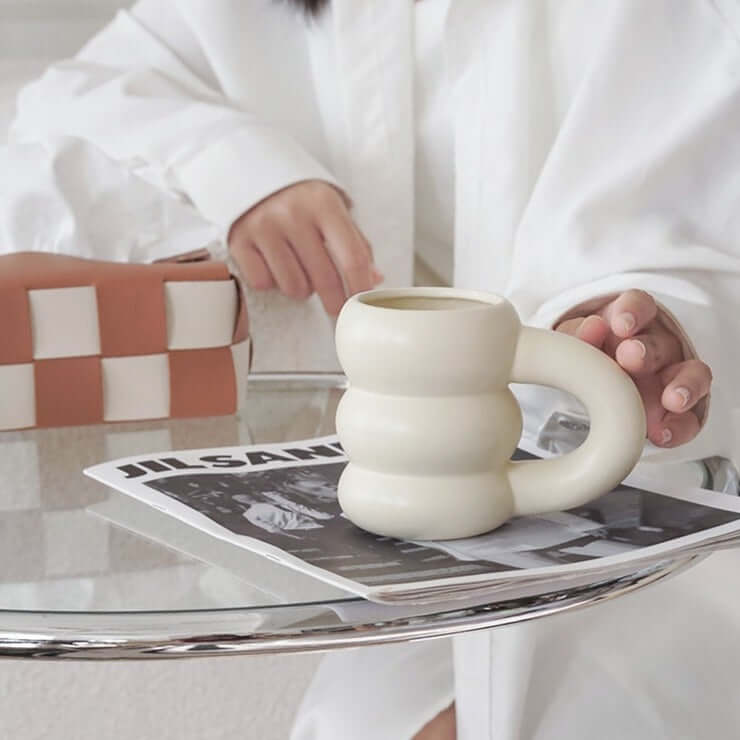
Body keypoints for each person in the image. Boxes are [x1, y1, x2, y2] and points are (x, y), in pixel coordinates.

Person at [8, 1, 740, 738]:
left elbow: (694, 190)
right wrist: (240, 167)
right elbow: (75, 96)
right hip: (408, 541)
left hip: (641, 520)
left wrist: (653, 323)